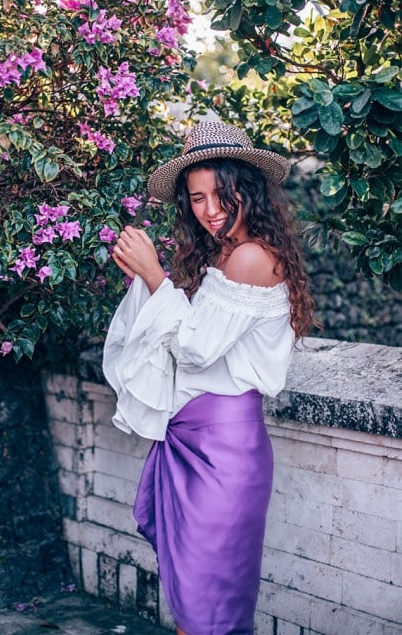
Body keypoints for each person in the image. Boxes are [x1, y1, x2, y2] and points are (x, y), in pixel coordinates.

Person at [102, 121, 316, 635]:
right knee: (192, 608)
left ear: (250, 188)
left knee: (209, 610)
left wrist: (154, 275)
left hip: (224, 450)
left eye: (222, 193)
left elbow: (195, 349)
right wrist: (154, 278)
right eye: (197, 198)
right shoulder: (221, 254)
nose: (210, 208)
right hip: (188, 440)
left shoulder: (250, 257)